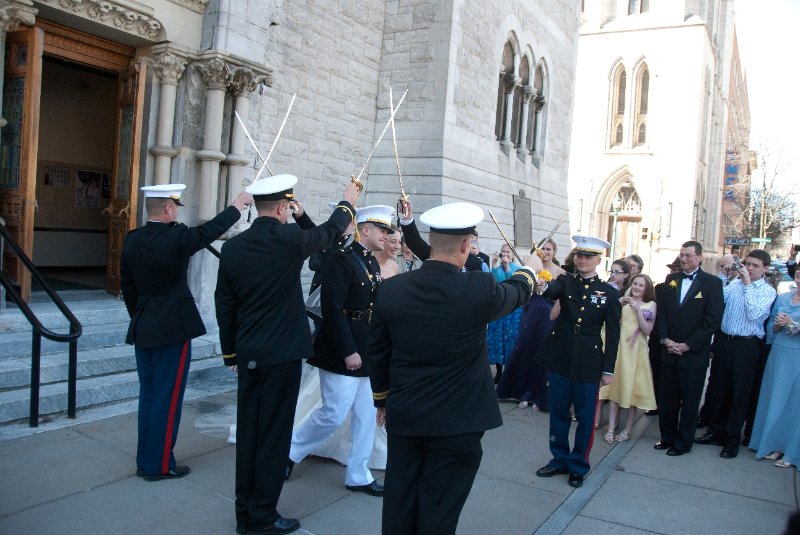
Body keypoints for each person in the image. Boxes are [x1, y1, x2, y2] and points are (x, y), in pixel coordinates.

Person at [365, 202, 537, 535]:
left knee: (400, 498)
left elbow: (378, 351)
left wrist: (382, 399)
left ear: (432, 239)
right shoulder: (478, 288)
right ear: (464, 245)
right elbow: (518, 291)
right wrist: (529, 267)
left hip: (407, 413)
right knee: (440, 508)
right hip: (458, 421)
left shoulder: (391, 290)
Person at [215, 174, 358, 535]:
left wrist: (230, 353)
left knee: (250, 434)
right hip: (281, 355)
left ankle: (245, 513)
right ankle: (262, 516)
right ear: (283, 207)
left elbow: (225, 306)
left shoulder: (233, 248)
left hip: (248, 352)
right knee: (274, 435)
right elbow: (331, 231)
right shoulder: (291, 239)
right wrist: (348, 200)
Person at [120, 183, 252, 481]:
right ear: (168, 209)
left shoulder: (132, 240)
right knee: (167, 400)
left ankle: (146, 460)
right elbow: (210, 231)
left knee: (150, 397)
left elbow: (128, 288)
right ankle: (159, 466)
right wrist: (239, 204)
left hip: (144, 326)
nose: (177, 211)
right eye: (175, 207)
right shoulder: (177, 237)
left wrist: (142, 316)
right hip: (172, 328)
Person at [288, 205, 396, 497]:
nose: (387, 236)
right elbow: (332, 309)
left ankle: (358, 474)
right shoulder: (341, 259)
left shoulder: (372, 263)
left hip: (367, 348)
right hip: (341, 348)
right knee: (333, 413)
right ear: (367, 229)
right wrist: (349, 350)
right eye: (383, 230)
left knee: (366, 415)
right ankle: (290, 452)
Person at [534, 235, 622, 488]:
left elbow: (613, 334)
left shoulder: (608, 293)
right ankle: (559, 459)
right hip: (561, 356)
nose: (583, 260)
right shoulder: (565, 281)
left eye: (588, 256)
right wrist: (540, 281)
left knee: (584, 417)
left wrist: (608, 368)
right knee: (559, 411)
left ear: (598, 259)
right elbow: (551, 290)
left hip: (589, 361)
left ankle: (578, 465)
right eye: (580, 255)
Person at [694, 249, 776, 459]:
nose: (749, 268)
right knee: (719, 389)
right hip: (726, 342)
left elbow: (755, 314)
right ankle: (716, 432)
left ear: (765, 269)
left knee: (740, 394)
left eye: (755, 266)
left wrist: (747, 284)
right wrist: (727, 274)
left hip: (746, 346)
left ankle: (732, 440)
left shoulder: (767, 291)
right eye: (747, 264)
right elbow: (717, 300)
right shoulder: (734, 284)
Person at [653, 240, 723, 457]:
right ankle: (667, 437)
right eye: (682, 255)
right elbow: (662, 313)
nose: (684, 259)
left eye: (688, 256)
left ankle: (684, 442)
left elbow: (712, 320)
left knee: (690, 401)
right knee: (667, 398)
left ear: (700, 257)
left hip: (693, 354)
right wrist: (665, 339)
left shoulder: (712, 283)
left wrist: (688, 345)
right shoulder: (671, 280)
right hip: (669, 350)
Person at [749, 268, 800, 470]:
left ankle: (792, 450)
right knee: (774, 400)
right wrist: (778, 326)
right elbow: (769, 326)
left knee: (793, 405)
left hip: (796, 358)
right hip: (778, 354)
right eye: (798, 273)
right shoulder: (783, 297)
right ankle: (773, 445)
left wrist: (791, 324)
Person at [597, 274, 658, 443]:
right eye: (635, 284)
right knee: (614, 387)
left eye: (641, 285)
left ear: (647, 289)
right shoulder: (622, 300)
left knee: (631, 389)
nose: (637, 287)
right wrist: (619, 305)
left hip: (636, 351)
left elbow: (647, 330)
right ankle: (611, 427)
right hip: (619, 349)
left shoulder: (650, 305)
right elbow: (610, 323)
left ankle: (628, 428)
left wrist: (638, 310)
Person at [496, 256, 553, 411]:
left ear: (553, 252)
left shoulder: (558, 272)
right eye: (543, 250)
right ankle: (523, 393)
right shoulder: (531, 269)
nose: (545, 253)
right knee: (525, 351)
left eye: (548, 250)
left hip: (547, 318)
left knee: (541, 357)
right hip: (531, 313)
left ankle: (538, 395)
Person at [397, 197, 485, 272]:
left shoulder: (475, 263)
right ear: (467, 243)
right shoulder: (435, 256)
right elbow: (415, 243)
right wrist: (407, 217)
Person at [646, 256, 682, 416]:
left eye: (677, 270)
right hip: (657, 337)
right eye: (672, 269)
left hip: (675, 338)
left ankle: (671, 403)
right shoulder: (660, 288)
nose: (673, 272)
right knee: (655, 370)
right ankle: (655, 403)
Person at [488, 243, 523, 383]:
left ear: (512, 254)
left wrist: (507, 266)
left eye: (508, 252)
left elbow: (514, 285)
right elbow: (493, 284)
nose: (505, 254)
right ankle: (499, 371)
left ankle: (510, 372)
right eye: (503, 251)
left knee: (510, 340)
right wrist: (495, 267)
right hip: (499, 310)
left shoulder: (517, 269)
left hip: (512, 312)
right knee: (498, 340)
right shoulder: (496, 267)